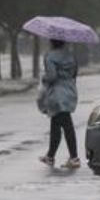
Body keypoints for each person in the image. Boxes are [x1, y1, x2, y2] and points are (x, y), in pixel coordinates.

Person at [39, 39, 80, 169]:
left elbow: (51, 76)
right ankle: (50, 156)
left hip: (57, 94)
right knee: (55, 125)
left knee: (67, 125)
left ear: (52, 43)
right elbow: (74, 74)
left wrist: (43, 78)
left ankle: (74, 158)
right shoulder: (71, 56)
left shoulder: (50, 56)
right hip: (70, 91)